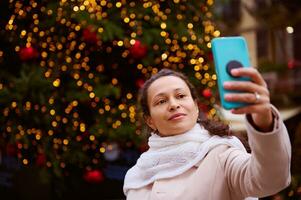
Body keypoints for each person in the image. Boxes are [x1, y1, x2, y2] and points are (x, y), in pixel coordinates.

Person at [123, 68, 291, 200]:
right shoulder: (136, 175)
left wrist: (264, 120)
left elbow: (270, 179)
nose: (174, 104)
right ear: (150, 120)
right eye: (161, 101)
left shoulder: (221, 154)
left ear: (195, 106)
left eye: (180, 96)